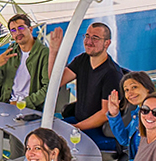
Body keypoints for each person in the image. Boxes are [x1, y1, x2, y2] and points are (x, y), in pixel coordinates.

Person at [49, 22, 124, 153]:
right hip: (78, 121)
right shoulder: (82, 60)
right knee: (45, 132)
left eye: (95, 38)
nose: (89, 41)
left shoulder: (112, 73)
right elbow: (55, 81)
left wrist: (77, 127)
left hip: (97, 129)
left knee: (57, 144)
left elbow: (105, 113)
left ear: (107, 43)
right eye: (87, 36)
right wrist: (53, 51)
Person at [0, 13, 52, 109]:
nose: (17, 33)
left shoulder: (44, 53)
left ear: (30, 29)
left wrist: (23, 103)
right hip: (7, 104)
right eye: (13, 30)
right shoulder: (11, 50)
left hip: (29, 109)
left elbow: (48, 88)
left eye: (21, 28)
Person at [102, 72, 156, 161]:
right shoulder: (138, 112)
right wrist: (114, 115)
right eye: (126, 90)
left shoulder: (155, 115)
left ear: (147, 88)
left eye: (134, 87)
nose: (130, 93)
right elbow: (124, 140)